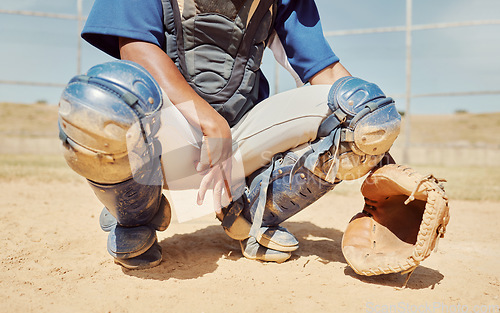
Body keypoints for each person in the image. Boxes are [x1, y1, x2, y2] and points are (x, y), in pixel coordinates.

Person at [58, 0, 400, 269]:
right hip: (165, 141)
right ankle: (137, 212)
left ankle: (251, 211)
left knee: (365, 108)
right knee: (98, 99)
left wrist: (376, 143)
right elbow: (135, 48)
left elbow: (325, 72)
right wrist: (208, 121)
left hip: (241, 147)